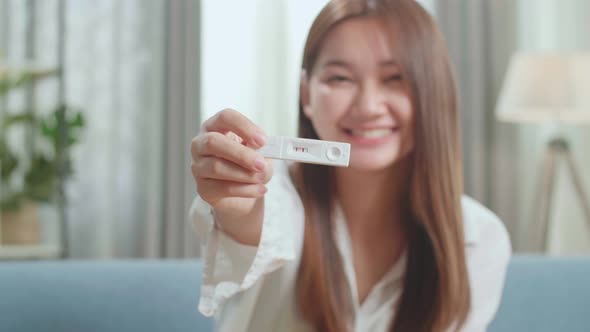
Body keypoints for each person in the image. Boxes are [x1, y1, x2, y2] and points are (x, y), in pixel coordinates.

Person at [189, 0, 511, 331]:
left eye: (395, 78)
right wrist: (236, 203)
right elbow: (250, 221)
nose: (369, 106)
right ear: (306, 94)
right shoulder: (273, 195)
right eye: (341, 78)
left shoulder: (478, 238)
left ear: (434, 93)